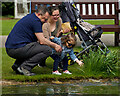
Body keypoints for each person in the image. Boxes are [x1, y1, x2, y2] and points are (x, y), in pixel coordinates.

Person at [5, 6, 62, 76]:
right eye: (44, 18)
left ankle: (17, 65)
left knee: (35, 47)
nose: (45, 21)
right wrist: (55, 45)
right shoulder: (36, 21)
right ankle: (24, 67)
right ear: (39, 14)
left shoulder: (31, 17)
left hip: (11, 48)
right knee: (47, 50)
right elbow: (42, 41)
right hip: (15, 49)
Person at [42, 6, 71, 75]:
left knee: (64, 52)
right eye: (54, 15)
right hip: (46, 43)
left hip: (55, 41)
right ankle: (52, 66)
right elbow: (45, 40)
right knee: (56, 55)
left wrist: (62, 32)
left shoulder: (59, 20)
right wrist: (55, 45)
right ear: (49, 15)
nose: (56, 17)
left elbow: (58, 34)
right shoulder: (45, 25)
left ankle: (64, 68)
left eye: (58, 15)